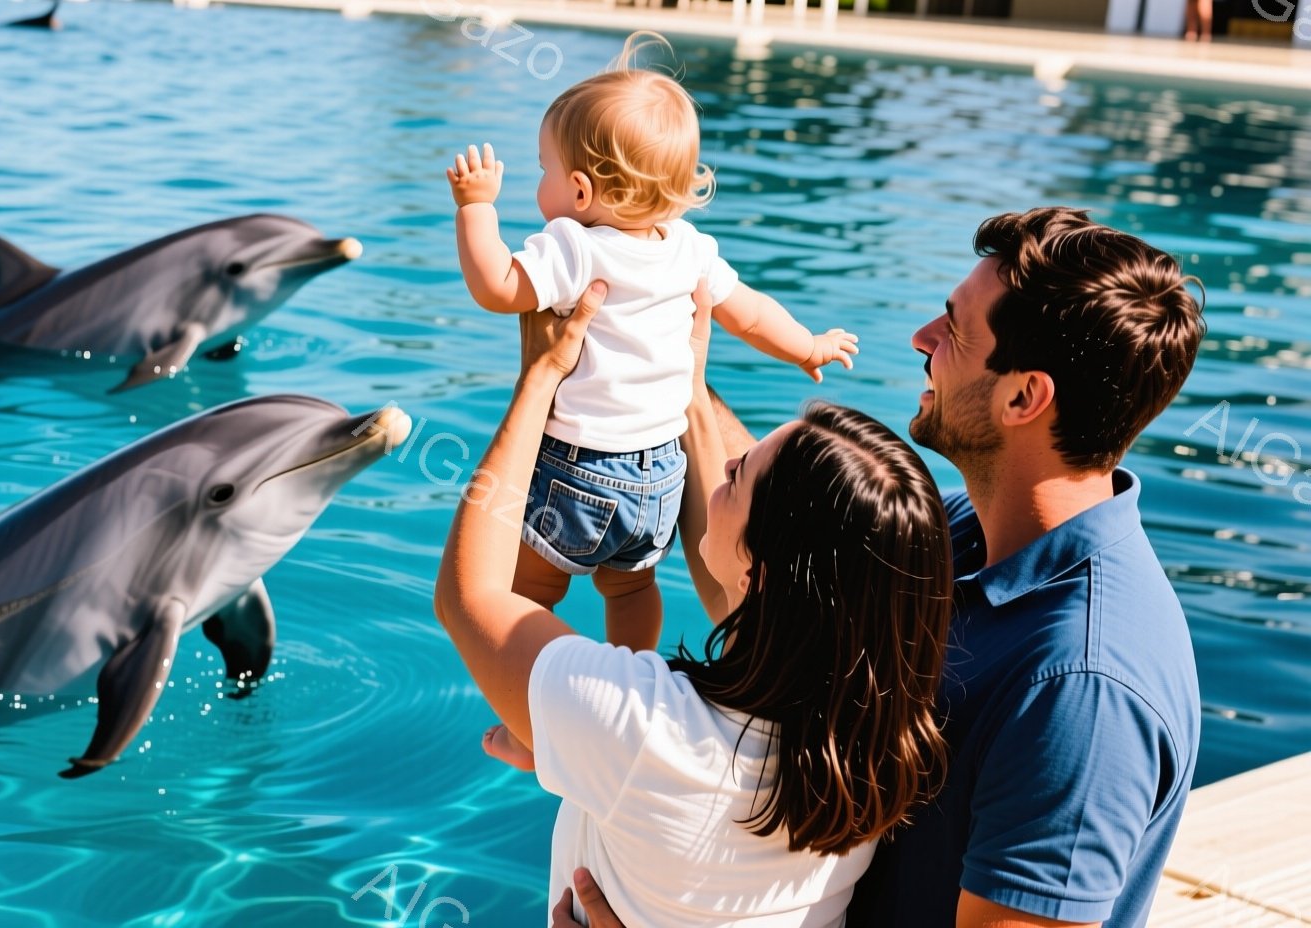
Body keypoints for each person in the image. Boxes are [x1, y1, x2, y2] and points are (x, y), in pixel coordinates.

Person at [556, 207, 1209, 928]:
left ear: (1024, 397)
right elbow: (768, 571)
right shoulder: (958, 532)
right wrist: (664, 369)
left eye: (954, 330)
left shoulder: (1083, 690)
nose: (922, 339)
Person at [430, 279, 951, 926]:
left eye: (740, 474)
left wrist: (540, 379)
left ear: (759, 577)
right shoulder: (879, 747)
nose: (723, 470)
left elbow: (469, 596)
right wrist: (688, 389)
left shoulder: (645, 727)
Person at [443, 34, 858, 768]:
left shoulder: (573, 244)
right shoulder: (690, 247)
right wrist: (807, 347)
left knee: (517, 597)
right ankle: (628, 683)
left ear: (578, 192)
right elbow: (750, 313)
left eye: (543, 170)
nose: (540, 186)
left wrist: (476, 210)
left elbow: (497, 288)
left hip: (577, 471)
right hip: (659, 476)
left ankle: (544, 726)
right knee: (630, 590)